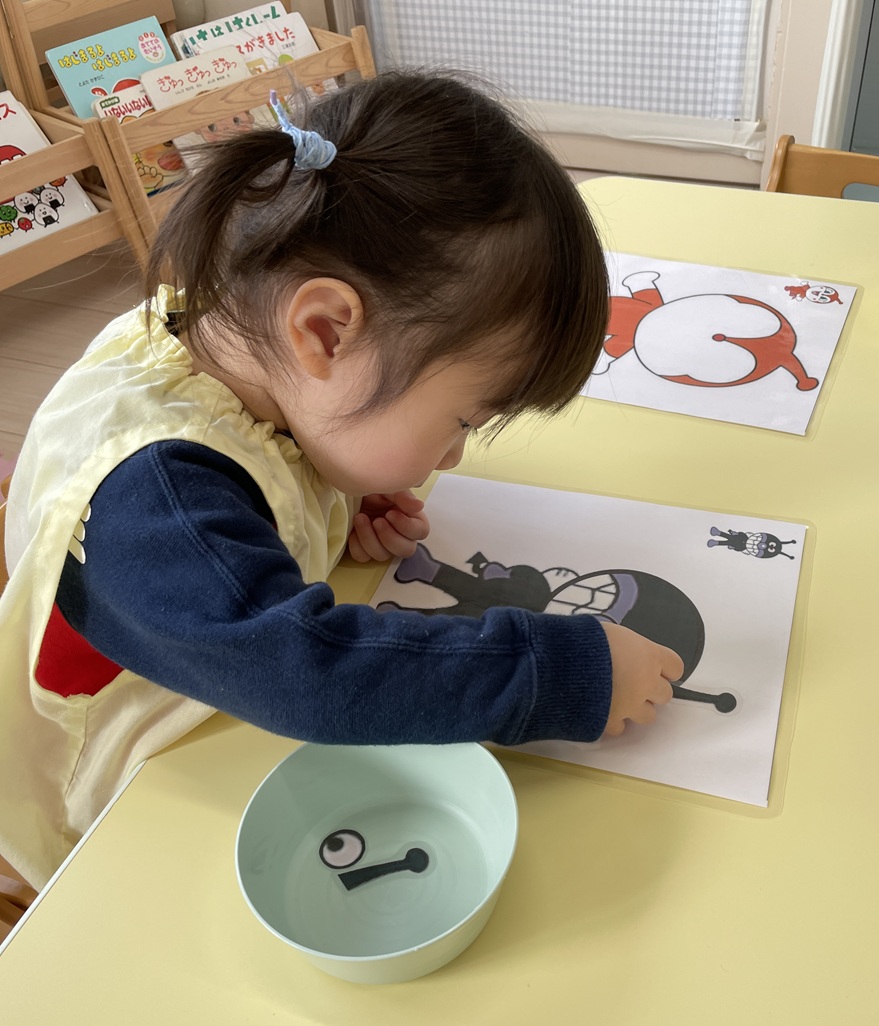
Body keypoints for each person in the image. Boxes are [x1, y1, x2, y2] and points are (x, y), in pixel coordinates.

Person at [0, 71, 683, 892]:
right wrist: (556, 673)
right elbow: (309, 674)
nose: (454, 457)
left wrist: (333, 491)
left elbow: (250, 495)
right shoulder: (158, 498)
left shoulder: (214, 334)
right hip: (104, 805)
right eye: (463, 421)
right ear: (324, 331)